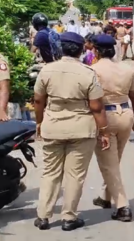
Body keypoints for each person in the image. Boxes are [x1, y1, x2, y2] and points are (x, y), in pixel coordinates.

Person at [33, 32, 110, 231]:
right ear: (81, 49)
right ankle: (69, 217)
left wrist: (39, 122)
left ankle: (43, 216)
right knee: (75, 175)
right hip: (81, 129)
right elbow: (96, 107)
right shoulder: (87, 72)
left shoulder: (47, 70)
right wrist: (104, 131)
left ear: (60, 48)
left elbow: (39, 100)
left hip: (53, 126)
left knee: (50, 172)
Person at [90, 34, 134, 222]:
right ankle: (105, 196)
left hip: (106, 116)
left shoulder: (93, 70)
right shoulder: (127, 68)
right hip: (126, 114)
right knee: (114, 160)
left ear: (96, 50)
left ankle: (122, 206)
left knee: (108, 163)